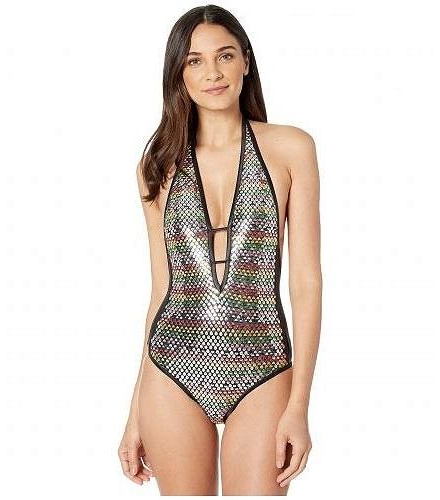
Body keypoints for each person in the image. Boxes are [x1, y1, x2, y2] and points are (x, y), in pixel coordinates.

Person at [118, 4, 322, 495]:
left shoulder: (291, 148)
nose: (212, 72)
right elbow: (162, 290)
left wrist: (299, 406)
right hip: (171, 366)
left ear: (245, 61)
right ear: (179, 73)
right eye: (195, 61)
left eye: (225, 55)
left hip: (263, 365)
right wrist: (134, 411)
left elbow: (306, 283)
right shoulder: (157, 165)